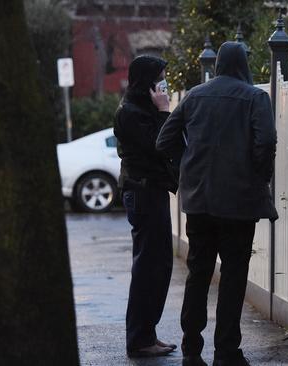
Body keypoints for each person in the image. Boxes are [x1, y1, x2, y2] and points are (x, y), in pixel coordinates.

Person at [156, 42, 278, 366]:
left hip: (199, 202)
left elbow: (164, 140)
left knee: (198, 274)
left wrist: (188, 168)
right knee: (234, 276)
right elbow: (265, 141)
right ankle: (226, 352)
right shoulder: (256, 98)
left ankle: (191, 350)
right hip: (239, 203)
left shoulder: (195, 96)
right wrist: (258, 175)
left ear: (219, 64)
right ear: (244, 64)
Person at [113, 55, 182, 358]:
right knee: (148, 268)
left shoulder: (141, 109)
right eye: (160, 77)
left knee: (158, 265)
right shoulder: (130, 113)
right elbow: (161, 145)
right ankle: (140, 340)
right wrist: (165, 110)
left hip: (151, 191)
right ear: (146, 81)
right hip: (143, 193)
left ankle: (146, 335)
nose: (164, 82)